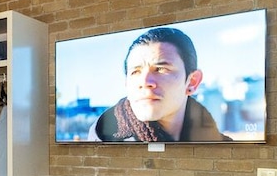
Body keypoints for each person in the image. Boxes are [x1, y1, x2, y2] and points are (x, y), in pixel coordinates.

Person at [89, 27, 229, 142]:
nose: (145, 82)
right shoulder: (103, 144)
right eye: (135, 72)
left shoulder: (222, 149)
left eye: (161, 69)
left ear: (192, 81)